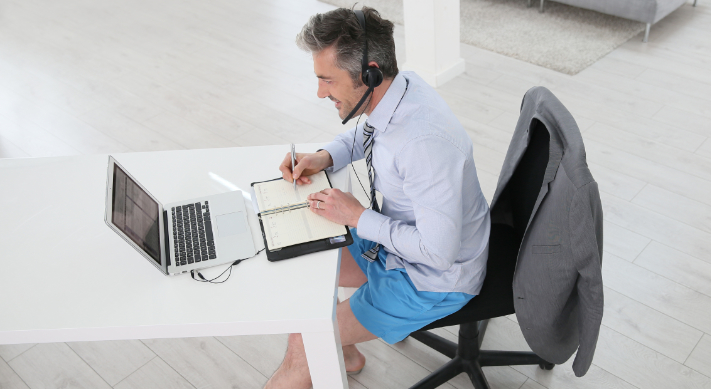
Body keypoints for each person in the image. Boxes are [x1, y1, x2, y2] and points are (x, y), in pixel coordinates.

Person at [265, 7, 490, 389]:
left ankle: (334, 344)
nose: (320, 93)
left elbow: (438, 253)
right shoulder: (399, 91)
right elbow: (370, 134)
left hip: (432, 278)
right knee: (301, 259)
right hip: (399, 243)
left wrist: (356, 217)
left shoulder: (423, 145)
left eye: (327, 80)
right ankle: (346, 350)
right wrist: (325, 155)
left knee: (306, 338)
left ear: (369, 72)